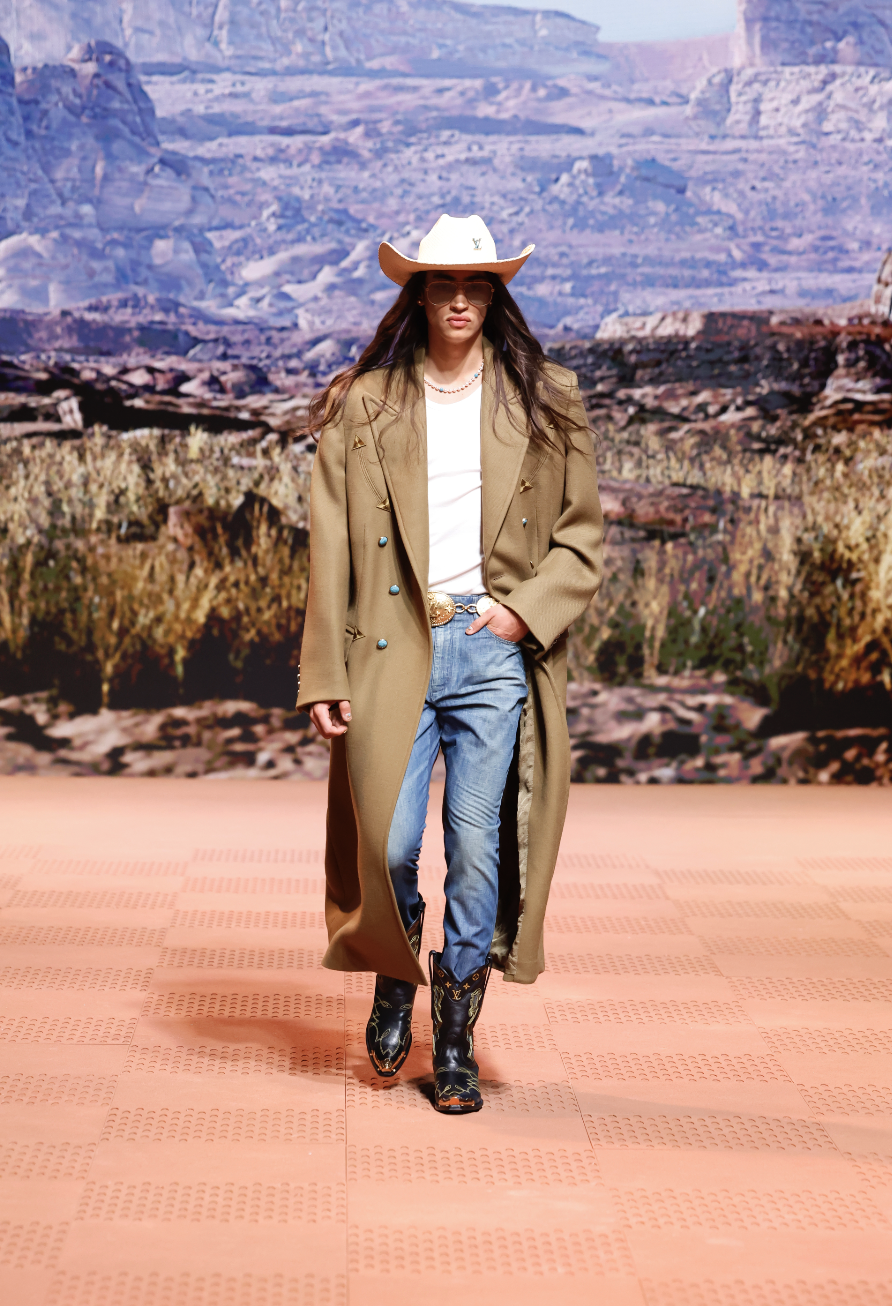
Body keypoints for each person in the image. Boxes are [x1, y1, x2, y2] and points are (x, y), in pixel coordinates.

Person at [297, 214, 603, 1113]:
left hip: (490, 646)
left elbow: (581, 538)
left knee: (477, 849)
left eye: (476, 284)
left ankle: (457, 1036)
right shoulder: (366, 403)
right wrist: (324, 674)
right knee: (388, 843)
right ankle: (398, 970)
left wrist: (520, 615)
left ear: (495, 296)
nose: (460, 299)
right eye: (444, 283)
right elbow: (330, 546)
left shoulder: (547, 397)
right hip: (391, 647)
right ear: (420, 294)